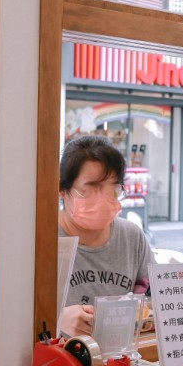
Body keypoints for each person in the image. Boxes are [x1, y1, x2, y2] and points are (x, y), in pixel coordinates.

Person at [58, 135, 153, 337]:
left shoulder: (132, 236)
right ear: (63, 191)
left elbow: (155, 299)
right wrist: (57, 317)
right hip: (62, 360)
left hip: (120, 359)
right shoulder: (43, 239)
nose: (103, 200)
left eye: (113, 188)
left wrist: (144, 311)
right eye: (91, 189)